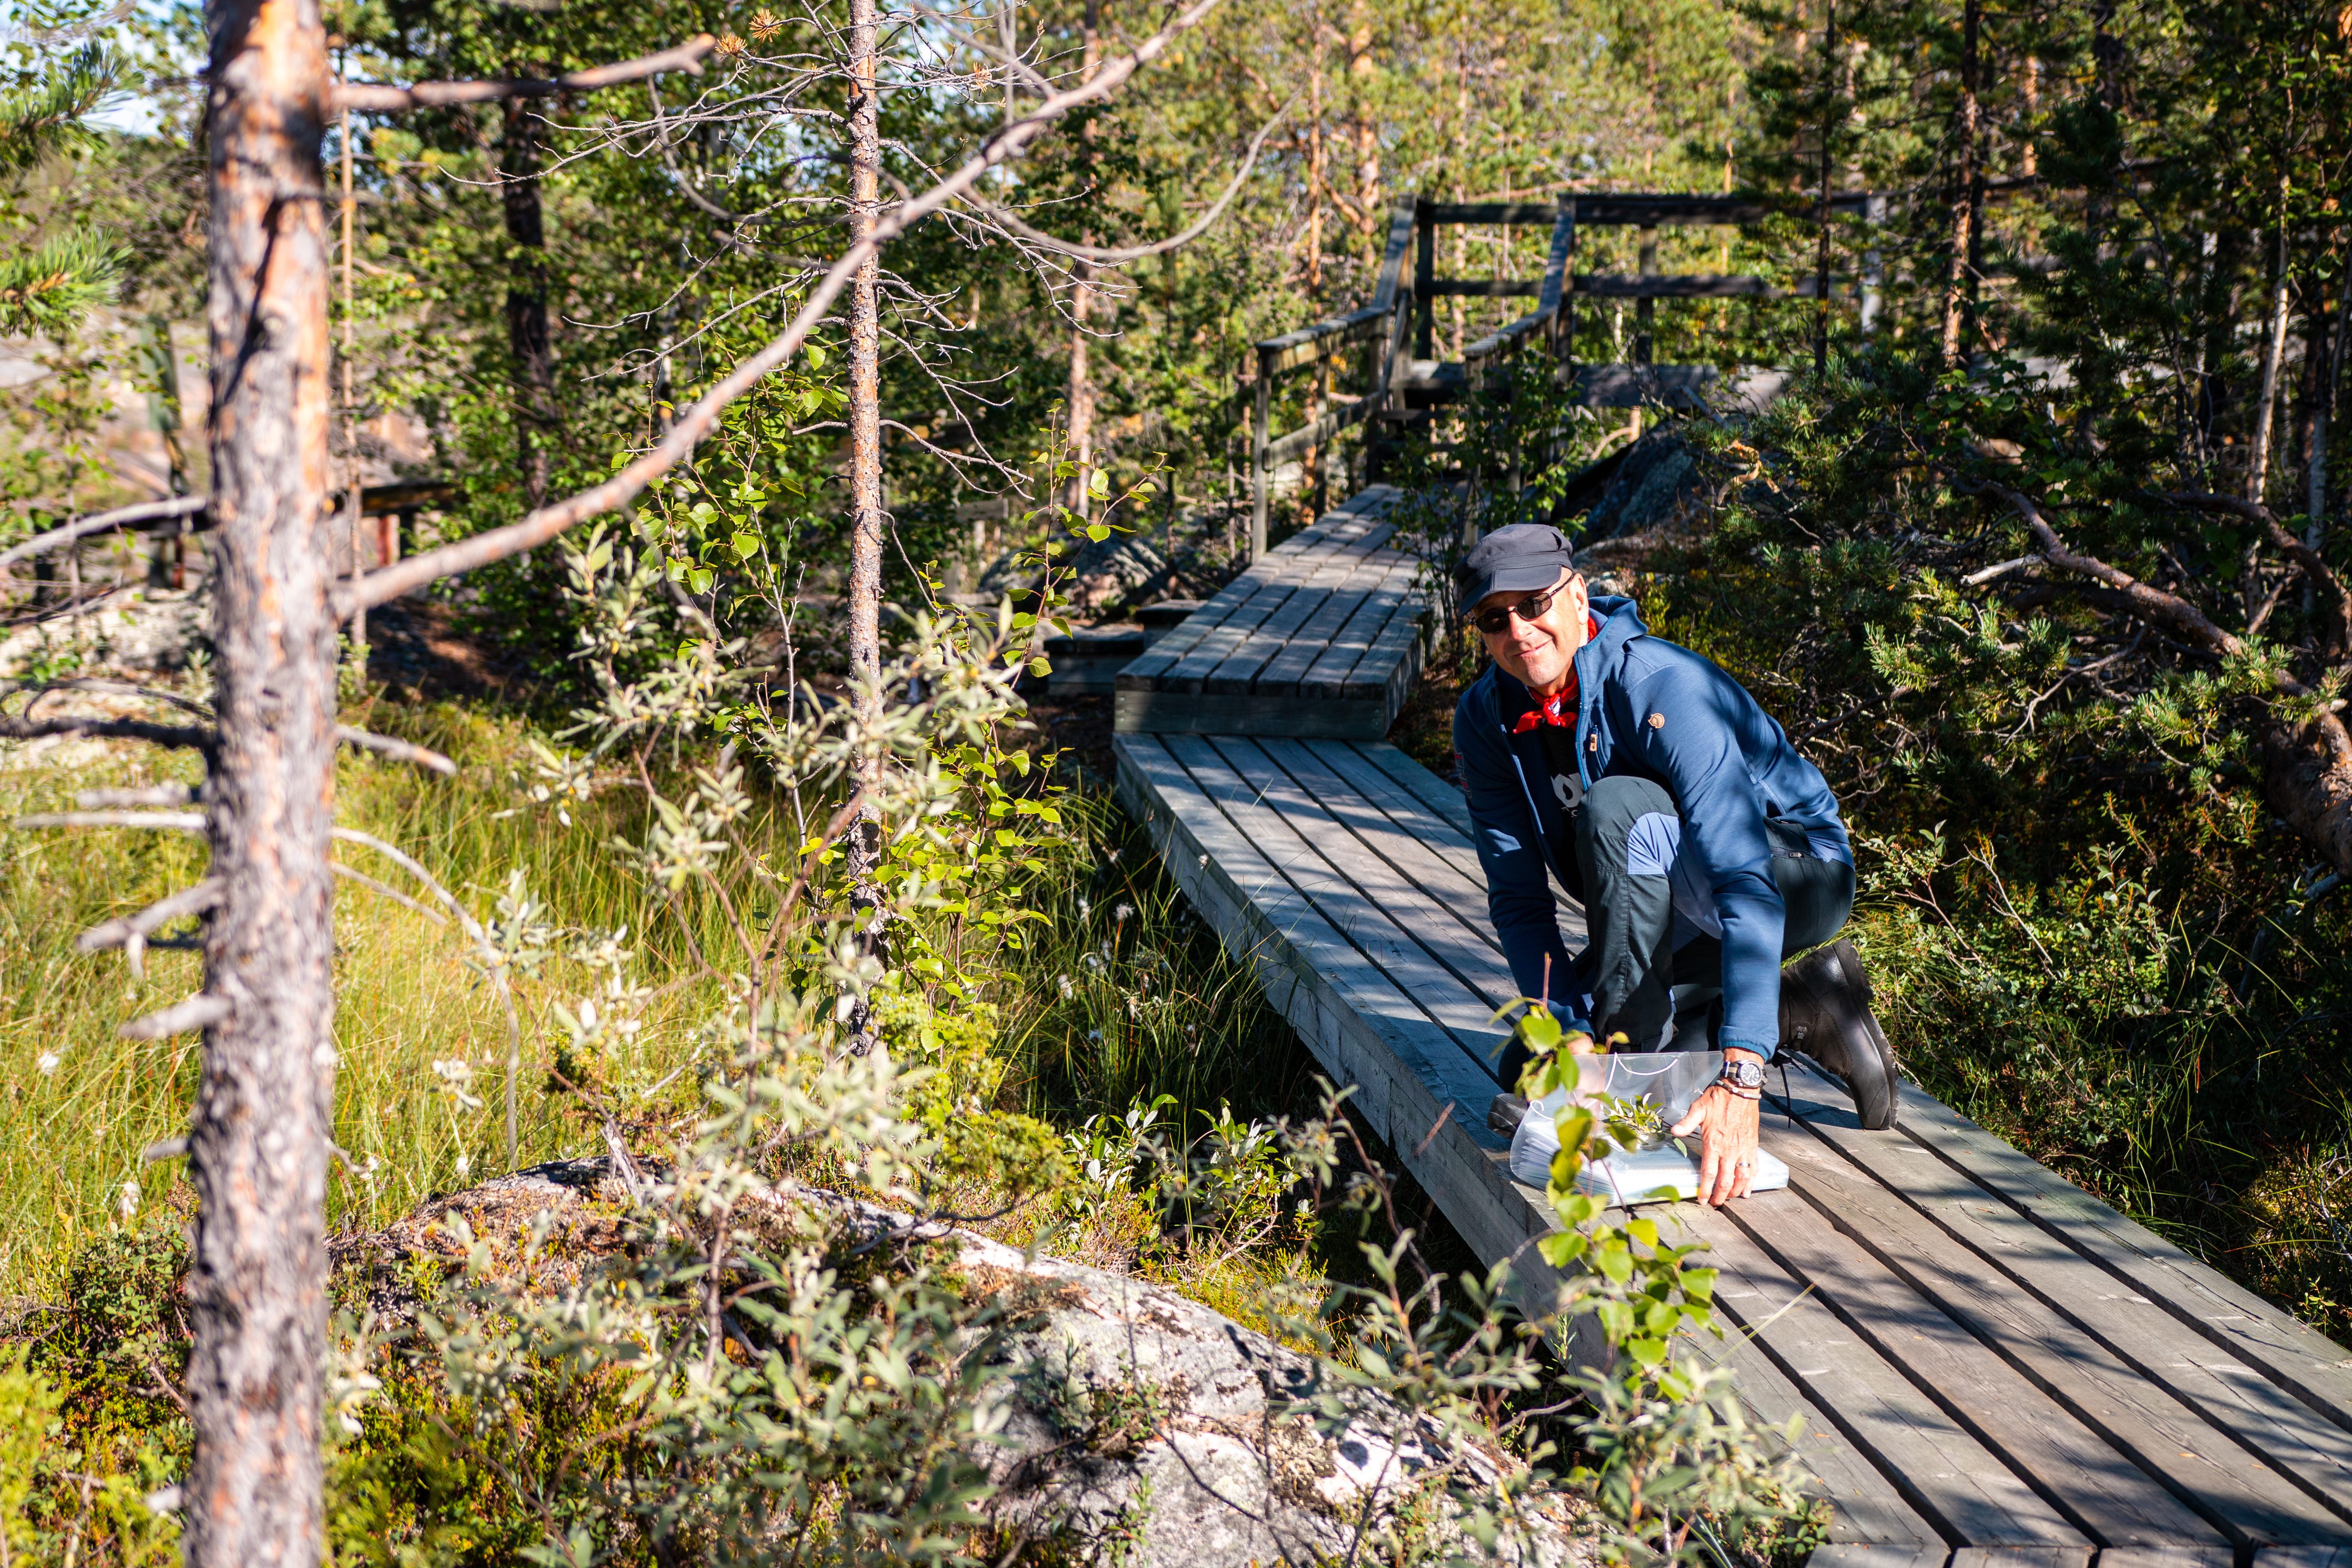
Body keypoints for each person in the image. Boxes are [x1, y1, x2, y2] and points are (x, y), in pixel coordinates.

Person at [1452, 522, 1899, 1204]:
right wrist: (1571, 1038)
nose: (1519, 630)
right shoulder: (1488, 719)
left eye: (1534, 603)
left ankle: (1640, 1065)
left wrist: (1742, 1079)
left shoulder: (1659, 686)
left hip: (1792, 870)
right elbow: (1518, 900)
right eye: (1494, 618)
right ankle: (1804, 1005)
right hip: (1672, 894)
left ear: (1577, 596)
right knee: (1528, 1066)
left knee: (1617, 807)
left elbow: (1744, 881)